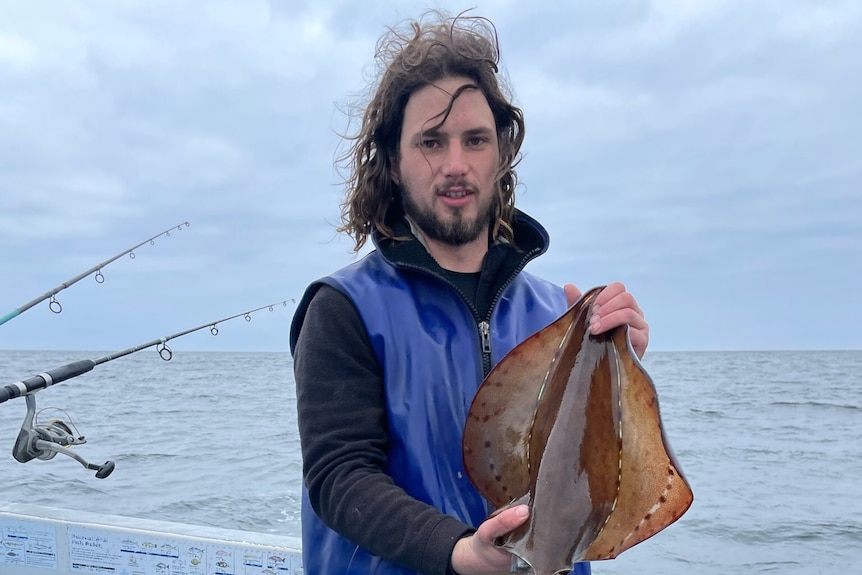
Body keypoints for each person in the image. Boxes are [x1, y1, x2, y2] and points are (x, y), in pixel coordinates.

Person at [289, 10, 649, 575]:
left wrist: (620, 374)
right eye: (431, 142)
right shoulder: (343, 308)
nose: (456, 165)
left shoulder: (559, 313)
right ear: (392, 161)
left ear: (501, 153)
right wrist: (458, 552)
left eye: (475, 140)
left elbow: (601, 489)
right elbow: (340, 477)